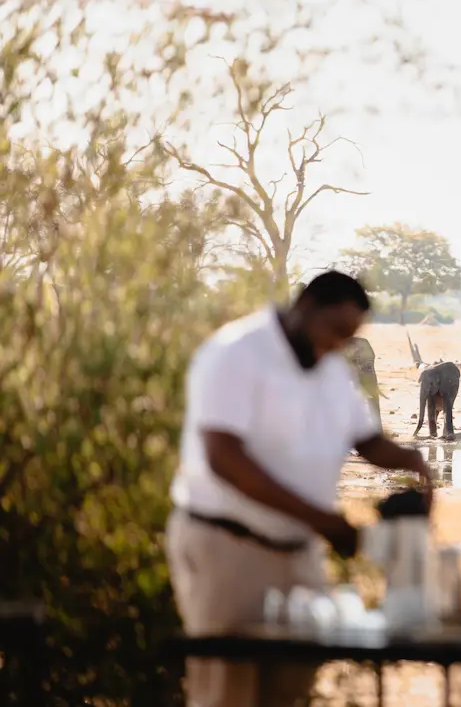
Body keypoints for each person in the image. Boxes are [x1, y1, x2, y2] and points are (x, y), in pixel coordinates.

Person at [165, 270, 432, 707]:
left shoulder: (328, 368)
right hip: (228, 548)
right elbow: (224, 458)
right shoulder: (236, 353)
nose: (341, 345)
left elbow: (363, 438)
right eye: (337, 331)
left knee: (291, 692)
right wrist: (321, 520)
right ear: (305, 306)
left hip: (298, 554)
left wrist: (412, 461)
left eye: (351, 337)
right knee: (228, 691)